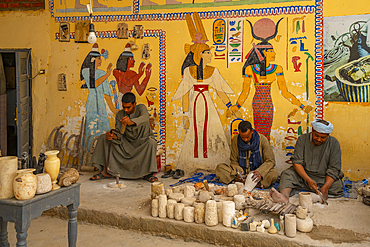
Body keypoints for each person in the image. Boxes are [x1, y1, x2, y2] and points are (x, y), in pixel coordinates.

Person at [229, 18, 312, 140]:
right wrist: (237, 106)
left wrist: (302, 106)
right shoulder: (250, 69)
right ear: (264, 53)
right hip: (258, 104)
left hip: (267, 104)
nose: (274, 53)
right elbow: (245, 92)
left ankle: (265, 156)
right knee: (257, 134)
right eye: (271, 51)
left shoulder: (277, 69)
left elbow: (284, 92)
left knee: (266, 135)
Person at [172, 12, 234, 172]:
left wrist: (230, 105)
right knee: (194, 131)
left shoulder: (213, 71)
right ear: (200, 54)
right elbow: (185, 93)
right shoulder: (188, 71)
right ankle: (193, 163)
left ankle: (213, 163)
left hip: (207, 103)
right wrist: (185, 114)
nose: (210, 55)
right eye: (208, 52)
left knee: (212, 130)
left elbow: (220, 90)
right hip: (195, 104)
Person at [90, 92, 158, 182]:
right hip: (125, 143)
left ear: (134, 104)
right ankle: (105, 171)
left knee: (151, 142)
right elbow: (118, 133)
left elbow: (145, 118)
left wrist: (131, 122)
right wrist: (112, 135)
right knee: (103, 138)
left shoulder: (141, 108)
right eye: (124, 107)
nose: (125, 110)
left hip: (142, 142)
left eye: (128, 107)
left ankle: (147, 174)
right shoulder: (120, 114)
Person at [271, 119, 344, 203]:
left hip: (322, 178)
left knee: (337, 186)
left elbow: (334, 169)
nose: (319, 139)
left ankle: (320, 192)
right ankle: (284, 196)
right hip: (303, 176)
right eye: (316, 136)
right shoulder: (302, 139)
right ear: (312, 131)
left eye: (323, 137)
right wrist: (308, 180)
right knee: (287, 175)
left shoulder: (334, 143)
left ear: (328, 135)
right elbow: (297, 163)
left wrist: (326, 187)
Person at [215, 121, 278, 188]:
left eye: (247, 137)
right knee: (220, 168)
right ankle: (247, 182)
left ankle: (247, 183)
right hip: (242, 174)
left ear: (252, 131)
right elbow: (233, 161)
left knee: (273, 173)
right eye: (243, 137)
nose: (245, 140)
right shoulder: (235, 140)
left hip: (256, 174)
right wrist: (239, 172)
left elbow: (270, 161)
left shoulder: (262, 140)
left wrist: (259, 172)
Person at [80, 43, 118, 149]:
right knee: (91, 130)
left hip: (101, 105)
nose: (101, 60)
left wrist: (113, 109)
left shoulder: (101, 73)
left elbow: (107, 94)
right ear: (93, 59)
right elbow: (93, 85)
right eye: (98, 58)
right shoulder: (85, 71)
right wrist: (107, 75)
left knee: (105, 130)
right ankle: (88, 155)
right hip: (91, 104)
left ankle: (105, 155)